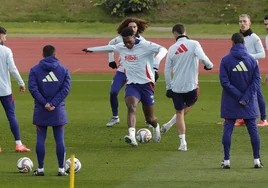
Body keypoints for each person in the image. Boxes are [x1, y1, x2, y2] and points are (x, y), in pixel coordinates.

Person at [82, 27, 167, 146]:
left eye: (129, 41)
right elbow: (110, 48)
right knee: (131, 107)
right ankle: (132, 136)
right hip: (132, 84)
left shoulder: (145, 45)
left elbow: (163, 49)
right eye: (125, 42)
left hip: (147, 85)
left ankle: (156, 127)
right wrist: (91, 49)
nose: (127, 44)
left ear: (134, 37)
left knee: (150, 118)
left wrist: (157, 60)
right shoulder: (121, 46)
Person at [163, 24, 213, 151]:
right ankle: (169, 124)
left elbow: (166, 70)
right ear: (185, 31)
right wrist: (209, 65)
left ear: (174, 34)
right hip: (191, 87)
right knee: (189, 105)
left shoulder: (172, 49)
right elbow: (204, 58)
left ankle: (183, 143)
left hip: (176, 87)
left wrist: (168, 87)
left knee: (179, 112)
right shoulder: (194, 44)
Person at [220, 33, 262, 169]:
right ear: (244, 44)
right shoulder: (251, 60)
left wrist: (238, 95)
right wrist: (245, 97)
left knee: (228, 128)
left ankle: (226, 160)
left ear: (232, 43)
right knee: (253, 129)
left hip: (231, 100)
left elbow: (224, 82)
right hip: (248, 100)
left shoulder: (226, 60)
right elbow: (256, 81)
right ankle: (256, 160)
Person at [28, 45, 71, 176]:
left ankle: (40, 169)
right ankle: (61, 169)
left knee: (40, 139)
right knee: (60, 140)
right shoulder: (63, 70)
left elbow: (33, 88)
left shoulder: (35, 70)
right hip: (57, 110)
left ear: (42, 54)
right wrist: (53, 103)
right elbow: (66, 89)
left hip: (41, 110)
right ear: (55, 54)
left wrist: (45, 103)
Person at [106, 17, 149, 127]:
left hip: (136, 73)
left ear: (137, 28)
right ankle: (115, 117)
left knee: (143, 96)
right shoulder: (120, 38)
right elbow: (110, 44)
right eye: (130, 27)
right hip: (122, 72)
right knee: (113, 92)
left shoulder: (143, 42)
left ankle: (148, 119)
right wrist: (111, 59)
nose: (133, 29)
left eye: (134, 27)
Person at [0, 26, 30, 153]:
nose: (6, 38)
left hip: (5, 90)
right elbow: (13, 69)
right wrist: (21, 82)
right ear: (0, 36)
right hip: (5, 90)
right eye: (5, 36)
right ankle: (18, 144)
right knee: (11, 116)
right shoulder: (6, 51)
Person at [235, 14, 267, 126]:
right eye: (240, 21)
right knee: (241, 93)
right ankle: (242, 118)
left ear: (250, 23)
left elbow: (262, 54)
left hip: (253, 70)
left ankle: (263, 119)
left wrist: (248, 56)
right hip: (240, 70)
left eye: (244, 21)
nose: (242, 23)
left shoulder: (254, 37)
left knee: (257, 94)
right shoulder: (238, 37)